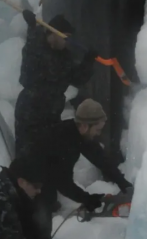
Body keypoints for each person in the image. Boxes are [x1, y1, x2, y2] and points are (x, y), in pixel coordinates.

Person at [19, 99, 133, 239]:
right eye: (96, 129)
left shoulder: (80, 136)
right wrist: (87, 199)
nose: (98, 134)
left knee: (41, 235)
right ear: (83, 125)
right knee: (39, 235)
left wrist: (124, 184)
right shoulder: (62, 141)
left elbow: (101, 159)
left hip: (43, 182)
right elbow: (63, 183)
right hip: (27, 187)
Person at [14, 10, 97, 155]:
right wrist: (32, 27)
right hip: (31, 113)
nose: (67, 41)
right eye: (66, 37)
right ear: (53, 33)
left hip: (51, 115)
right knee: (27, 156)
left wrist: (88, 62)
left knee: (49, 156)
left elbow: (78, 78)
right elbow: (31, 56)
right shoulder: (37, 47)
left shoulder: (64, 57)